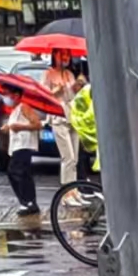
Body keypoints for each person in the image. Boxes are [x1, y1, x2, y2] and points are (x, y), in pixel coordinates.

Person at [43, 49, 80, 199]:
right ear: (55, 55)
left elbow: (75, 96)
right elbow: (43, 95)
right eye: (62, 54)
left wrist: (77, 87)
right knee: (68, 157)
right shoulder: (48, 74)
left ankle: (74, 191)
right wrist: (56, 91)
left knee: (75, 158)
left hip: (72, 116)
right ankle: (66, 194)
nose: (65, 58)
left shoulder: (69, 74)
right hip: (58, 116)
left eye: (67, 55)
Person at [0, 92, 43, 217]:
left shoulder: (24, 107)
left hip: (24, 145)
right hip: (17, 145)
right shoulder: (14, 110)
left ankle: (28, 201)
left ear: (16, 95)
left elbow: (37, 124)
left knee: (17, 172)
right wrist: (8, 127)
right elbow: (14, 125)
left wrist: (21, 127)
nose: (6, 98)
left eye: (8, 94)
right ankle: (28, 202)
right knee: (20, 173)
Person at [69, 81, 99, 184]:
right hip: (84, 132)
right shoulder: (82, 98)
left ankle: (84, 180)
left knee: (82, 157)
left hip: (85, 131)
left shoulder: (83, 97)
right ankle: (83, 181)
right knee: (81, 157)